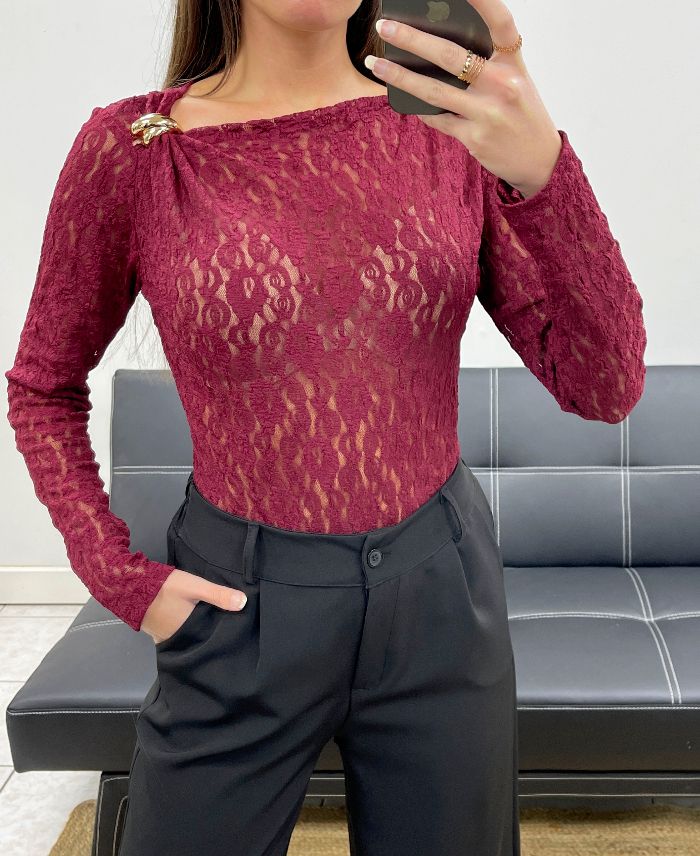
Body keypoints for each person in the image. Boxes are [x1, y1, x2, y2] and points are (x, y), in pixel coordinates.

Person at [4, 1, 647, 854]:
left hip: (440, 600)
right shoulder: (138, 151)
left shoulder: (450, 130)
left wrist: (545, 173)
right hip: (237, 611)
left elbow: (606, 386)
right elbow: (43, 387)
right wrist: (124, 581)